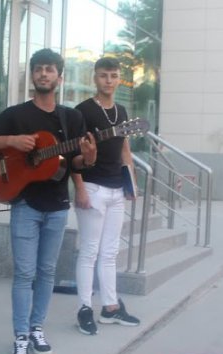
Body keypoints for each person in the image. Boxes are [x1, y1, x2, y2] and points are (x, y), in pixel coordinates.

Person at [0, 48, 97, 354]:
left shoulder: (71, 118)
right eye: (39, 69)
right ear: (32, 75)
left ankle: (36, 329)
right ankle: (19, 336)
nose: (44, 74)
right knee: (25, 272)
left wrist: (89, 158)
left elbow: (76, 161)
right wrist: (13, 142)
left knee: (46, 272)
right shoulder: (17, 114)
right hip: (25, 204)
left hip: (57, 205)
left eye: (50, 69)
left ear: (60, 77)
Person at [71, 57, 141, 336]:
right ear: (94, 78)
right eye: (103, 76)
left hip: (115, 188)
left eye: (113, 76)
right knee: (89, 250)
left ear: (119, 79)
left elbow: (125, 149)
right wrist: (79, 188)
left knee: (110, 252)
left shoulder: (121, 111)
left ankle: (110, 307)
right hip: (92, 187)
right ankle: (85, 308)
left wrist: (131, 183)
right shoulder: (82, 111)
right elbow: (74, 154)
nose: (108, 81)